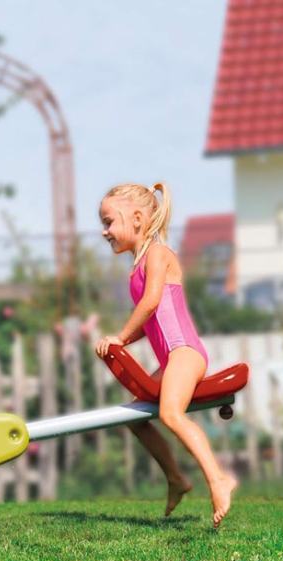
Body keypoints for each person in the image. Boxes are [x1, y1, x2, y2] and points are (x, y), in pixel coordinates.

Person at [95, 182, 237, 527]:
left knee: (171, 414)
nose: (104, 232)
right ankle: (176, 479)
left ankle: (219, 479)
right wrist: (122, 344)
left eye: (109, 222)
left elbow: (151, 302)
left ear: (137, 219)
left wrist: (120, 336)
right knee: (135, 418)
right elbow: (150, 320)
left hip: (185, 352)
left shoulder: (158, 254)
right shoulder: (136, 266)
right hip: (171, 359)